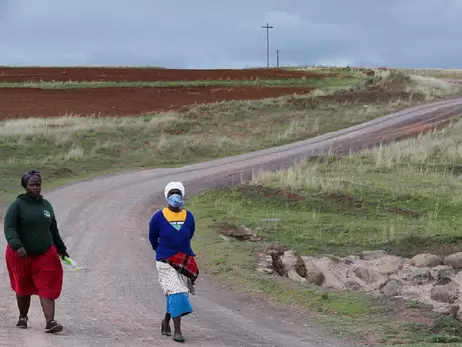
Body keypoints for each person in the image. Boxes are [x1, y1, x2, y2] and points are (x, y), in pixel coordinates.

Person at [3, 170, 69, 333]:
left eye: (38, 185)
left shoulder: (46, 205)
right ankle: (23, 317)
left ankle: (50, 322)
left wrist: (61, 249)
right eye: (32, 185)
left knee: (47, 286)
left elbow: (53, 230)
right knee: (22, 287)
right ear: (25, 186)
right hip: (21, 255)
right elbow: (9, 227)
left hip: (45, 253)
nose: (35, 188)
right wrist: (17, 245)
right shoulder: (17, 205)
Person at [149, 181, 199, 343]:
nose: (175, 197)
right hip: (165, 261)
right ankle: (177, 330)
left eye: (178, 193)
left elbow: (189, 235)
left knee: (177, 293)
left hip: (183, 260)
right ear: (167, 197)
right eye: (172, 194)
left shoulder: (188, 216)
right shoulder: (158, 217)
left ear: (182, 196)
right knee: (176, 293)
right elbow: (152, 239)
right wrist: (163, 252)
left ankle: (166, 321)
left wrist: (179, 251)